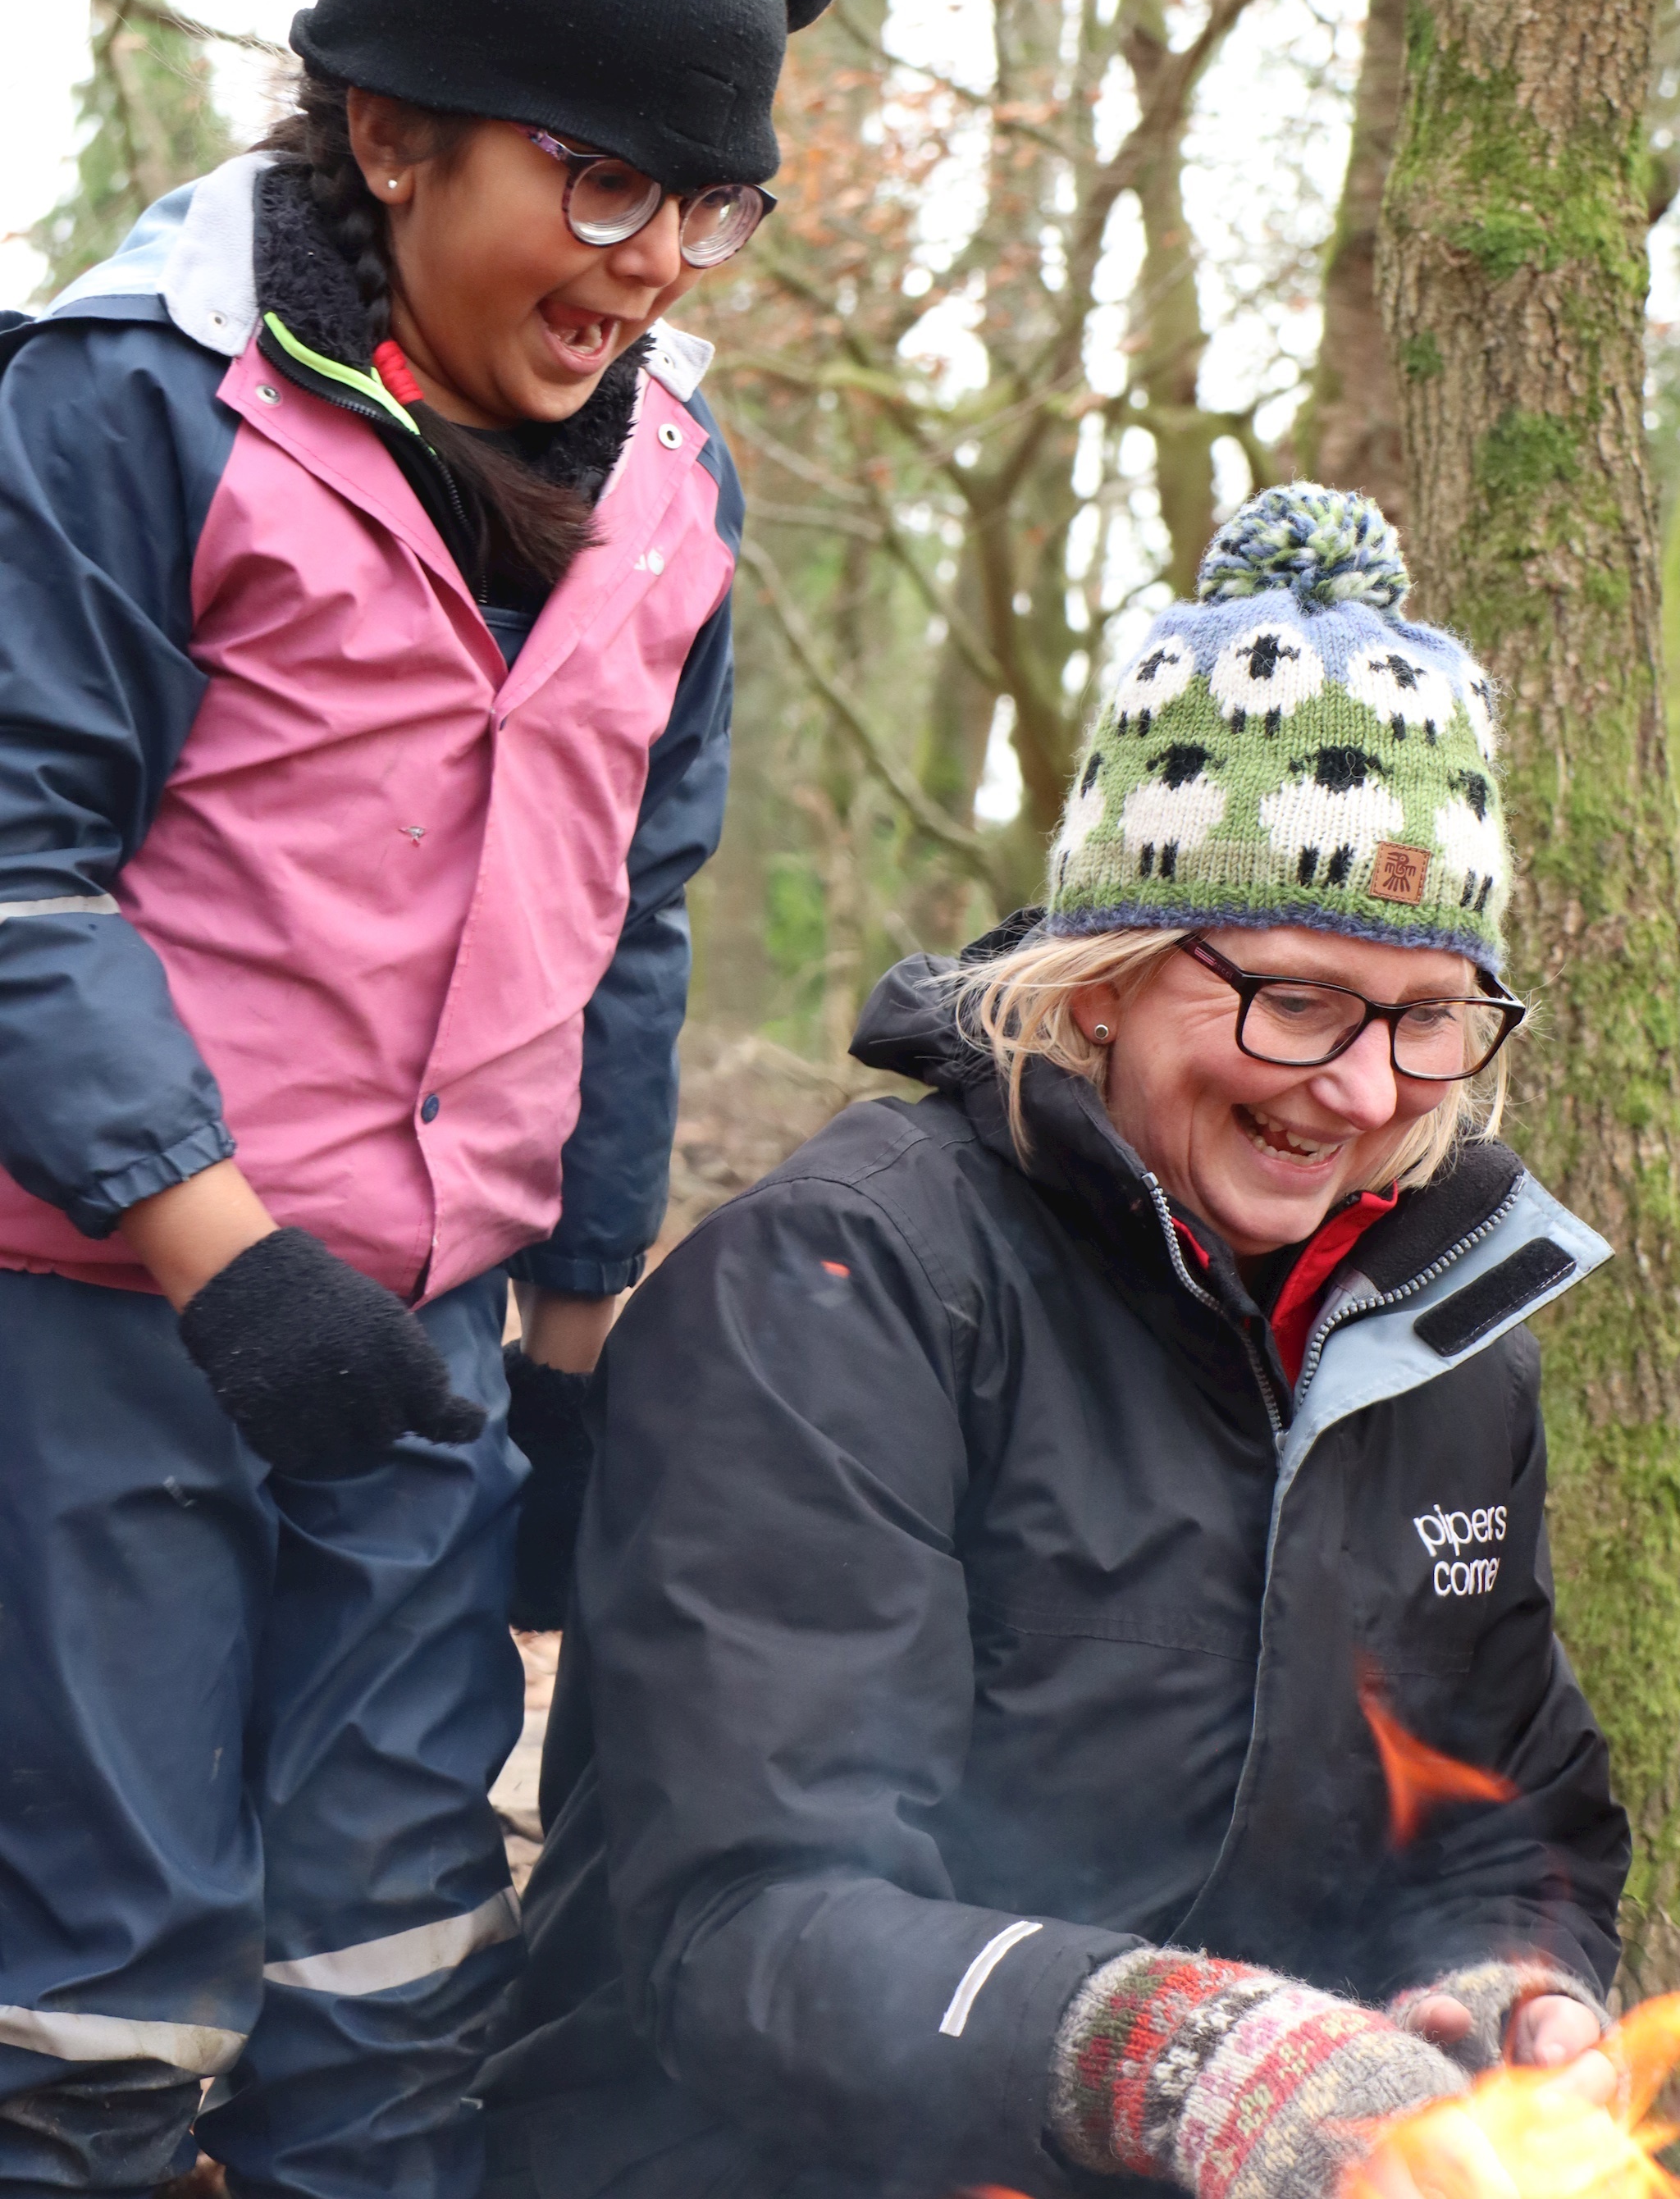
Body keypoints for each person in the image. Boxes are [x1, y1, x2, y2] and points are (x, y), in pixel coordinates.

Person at [0, 0, 856, 2199]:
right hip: (92, 1326)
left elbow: (628, 923)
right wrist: (213, 1244)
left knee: (393, 1982)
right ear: (390, 137)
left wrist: (578, 1337)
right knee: (98, 2002)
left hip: (434, 1352)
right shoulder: (130, 402)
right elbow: (18, 872)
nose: (658, 258)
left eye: (709, 201)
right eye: (603, 182)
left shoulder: (677, 491)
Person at [478, 487, 1629, 2199]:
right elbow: (749, 1926)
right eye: (1295, 999)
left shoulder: (1441, 1331)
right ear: (1101, 981)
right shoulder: (837, 1284)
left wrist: (1494, 2007)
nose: (1366, 1090)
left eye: (1430, 1021)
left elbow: (1498, 1818)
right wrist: (1193, 2063)